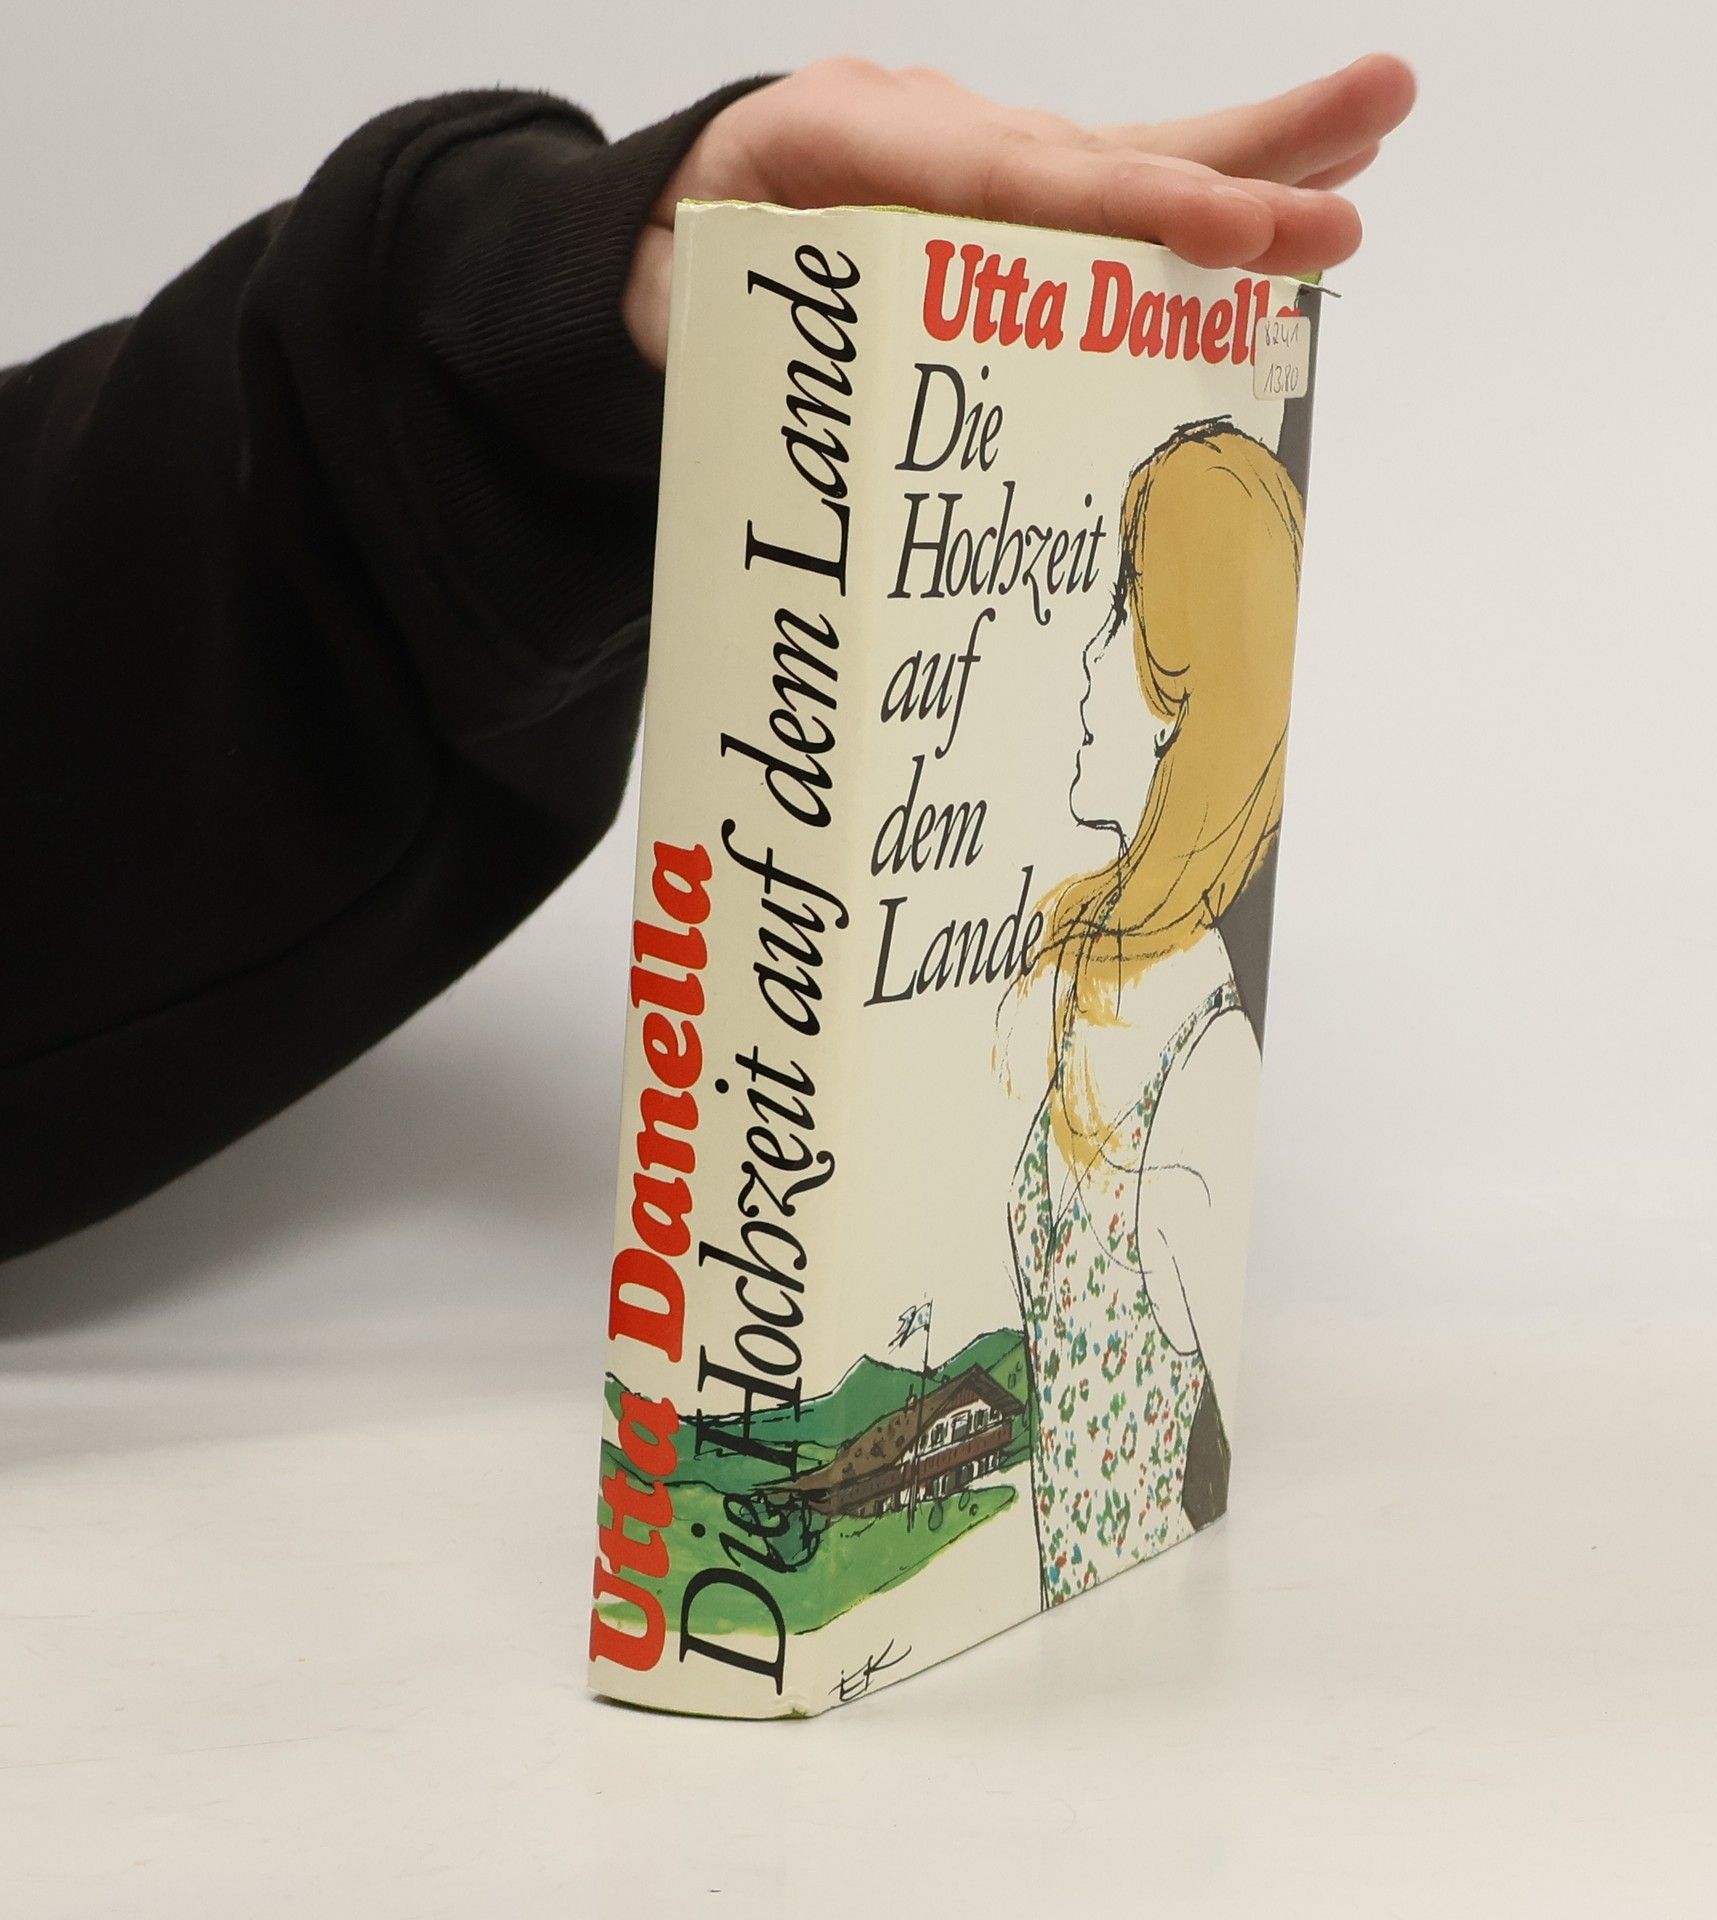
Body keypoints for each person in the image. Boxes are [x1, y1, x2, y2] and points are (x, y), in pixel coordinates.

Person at [0, 54, 1416, 1262]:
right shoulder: (1061, 1008)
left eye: (1134, 625)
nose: (1087, 651)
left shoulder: (1155, 1040)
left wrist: (524, 328)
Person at [1008, 420, 1307, 1603]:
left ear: (1187, 697)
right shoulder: (1098, 984)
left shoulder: (1207, 1063)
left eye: (1119, 613)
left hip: (1130, 1632)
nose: (1090, 659)